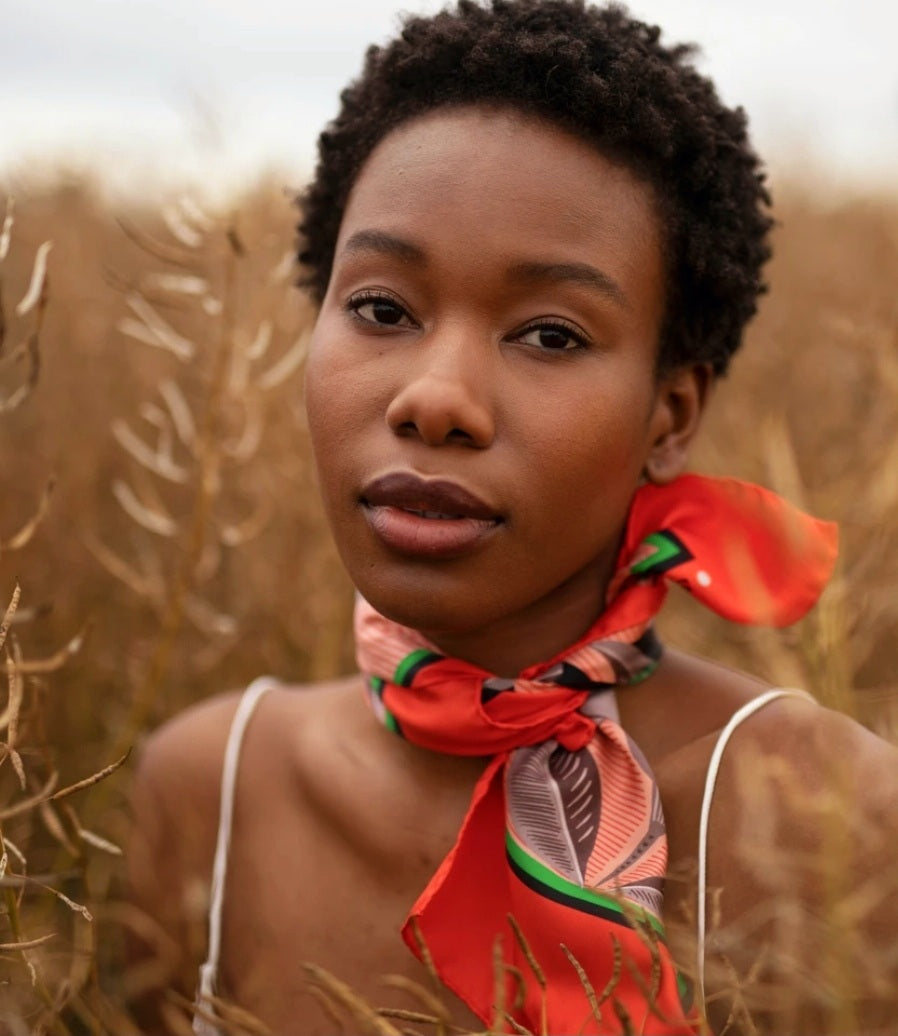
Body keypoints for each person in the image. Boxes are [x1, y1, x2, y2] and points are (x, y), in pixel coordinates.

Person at [126, 2, 898, 1033]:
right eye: (382, 309)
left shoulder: (829, 823)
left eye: (549, 334)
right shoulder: (210, 790)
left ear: (669, 415)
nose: (435, 399)